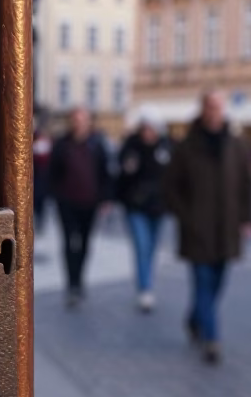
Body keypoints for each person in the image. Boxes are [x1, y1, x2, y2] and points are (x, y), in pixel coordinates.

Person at [164, 90, 251, 363]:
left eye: (219, 107)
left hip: (227, 227)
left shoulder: (236, 144)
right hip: (197, 228)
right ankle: (212, 339)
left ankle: (195, 318)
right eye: (211, 107)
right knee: (203, 281)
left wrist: (247, 218)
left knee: (217, 283)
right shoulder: (187, 146)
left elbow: (247, 184)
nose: (215, 112)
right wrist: (185, 215)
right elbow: (170, 187)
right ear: (203, 110)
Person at [49, 107, 110, 307]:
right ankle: (71, 283)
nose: (79, 123)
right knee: (68, 243)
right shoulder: (62, 144)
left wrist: (105, 199)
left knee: (84, 243)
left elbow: (104, 172)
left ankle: (79, 279)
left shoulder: (97, 144)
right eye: (75, 119)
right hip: (67, 202)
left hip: (90, 202)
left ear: (88, 122)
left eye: (82, 119)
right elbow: (53, 172)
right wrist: (56, 195)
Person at [117, 119, 172, 312]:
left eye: (152, 129)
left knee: (151, 248)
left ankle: (146, 282)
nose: (148, 132)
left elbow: (172, 176)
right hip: (136, 207)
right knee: (142, 246)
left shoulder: (165, 148)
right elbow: (122, 177)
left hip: (158, 207)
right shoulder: (131, 147)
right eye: (146, 128)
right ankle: (145, 289)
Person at [33, 122, 52, 232]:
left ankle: (40, 222)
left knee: (40, 203)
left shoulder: (43, 141)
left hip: (41, 179)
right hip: (35, 178)